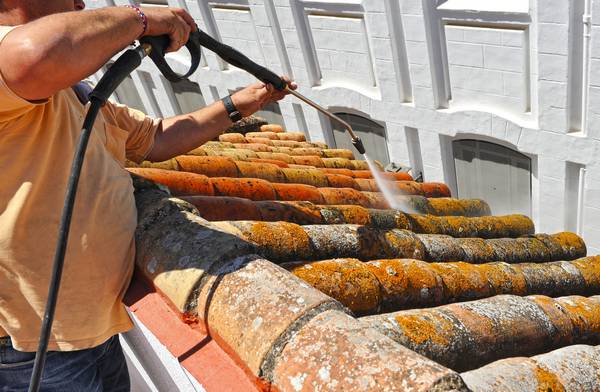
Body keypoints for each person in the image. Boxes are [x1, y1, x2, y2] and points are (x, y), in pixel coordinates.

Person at [0, 1, 296, 391]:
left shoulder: (68, 92)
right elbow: (32, 55)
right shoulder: (20, 65)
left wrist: (243, 103)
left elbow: (155, 137)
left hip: (85, 326)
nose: (81, 5)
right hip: (31, 347)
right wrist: (138, 19)